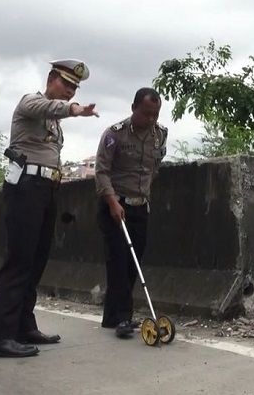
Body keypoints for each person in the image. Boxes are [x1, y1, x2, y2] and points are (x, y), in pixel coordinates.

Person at [0, 59, 99, 358]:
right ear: (51, 79)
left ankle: (24, 325)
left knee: (36, 261)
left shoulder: (53, 122)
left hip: (47, 190)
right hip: (25, 188)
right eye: (66, 84)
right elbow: (50, 107)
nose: (70, 92)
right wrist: (74, 110)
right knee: (18, 261)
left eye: (74, 88)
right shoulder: (30, 103)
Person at [94, 87, 167, 338]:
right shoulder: (115, 135)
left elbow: (154, 168)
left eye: (155, 114)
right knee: (118, 261)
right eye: (146, 113)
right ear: (134, 107)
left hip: (140, 206)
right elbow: (102, 170)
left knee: (134, 262)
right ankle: (122, 318)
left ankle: (114, 316)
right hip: (115, 204)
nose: (151, 119)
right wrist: (113, 201)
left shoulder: (160, 135)